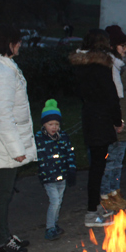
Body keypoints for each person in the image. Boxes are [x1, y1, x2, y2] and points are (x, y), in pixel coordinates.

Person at [0, 24, 36, 252]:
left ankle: (4, 234)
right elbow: (3, 116)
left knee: (4, 192)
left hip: (1, 140)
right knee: (2, 194)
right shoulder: (1, 73)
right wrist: (16, 149)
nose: (20, 44)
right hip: (3, 143)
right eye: (17, 40)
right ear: (8, 43)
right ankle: (1, 242)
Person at [68, 30, 122, 226]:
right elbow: (111, 96)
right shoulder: (101, 67)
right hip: (101, 119)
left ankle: (96, 206)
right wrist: (117, 121)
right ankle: (91, 212)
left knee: (97, 165)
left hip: (90, 117)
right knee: (97, 167)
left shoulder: (81, 66)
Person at [101, 26, 126, 210]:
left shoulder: (118, 64)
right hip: (114, 119)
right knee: (111, 160)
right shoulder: (109, 65)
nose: (125, 49)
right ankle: (105, 194)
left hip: (122, 117)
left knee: (118, 160)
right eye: (122, 45)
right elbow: (116, 91)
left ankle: (115, 191)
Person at [35, 100, 76, 240]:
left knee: (59, 199)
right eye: (50, 124)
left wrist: (71, 168)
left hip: (62, 175)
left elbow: (70, 152)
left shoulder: (63, 137)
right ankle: (50, 227)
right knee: (55, 201)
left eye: (56, 124)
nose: (54, 127)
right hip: (48, 177)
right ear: (44, 124)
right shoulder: (38, 139)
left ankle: (54, 223)